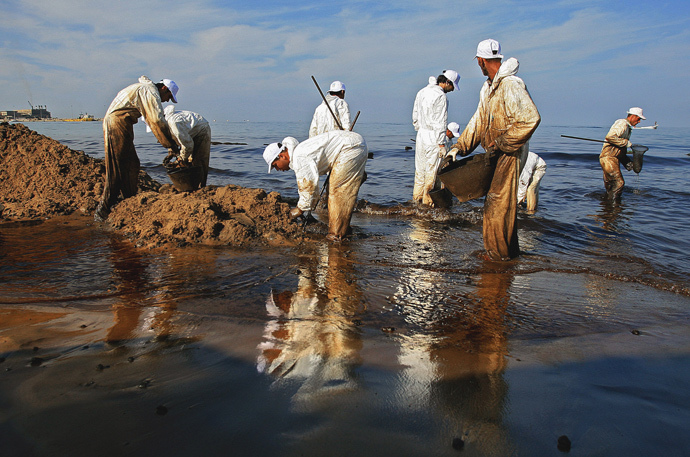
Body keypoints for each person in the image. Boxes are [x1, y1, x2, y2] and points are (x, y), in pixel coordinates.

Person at [448, 39, 540, 260]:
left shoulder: (510, 84)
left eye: (478, 61)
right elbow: (479, 121)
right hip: (496, 154)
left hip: (510, 153)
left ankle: (499, 257)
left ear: (481, 60)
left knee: (498, 206)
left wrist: (501, 143)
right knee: (495, 204)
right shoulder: (488, 87)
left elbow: (530, 119)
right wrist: (458, 148)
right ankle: (504, 253)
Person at [95, 76, 180, 221]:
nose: (166, 101)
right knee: (117, 167)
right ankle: (103, 210)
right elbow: (156, 120)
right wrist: (171, 145)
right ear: (164, 88)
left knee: (132, 163)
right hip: (116, 122)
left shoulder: (147, 90)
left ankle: (129, 199)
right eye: (168, 97)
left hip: (123, 124)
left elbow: (150, 119)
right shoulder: (150, 91)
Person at [263, 130, 368, 241]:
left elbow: (309, 187)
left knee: (337, 192)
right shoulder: (301, 151)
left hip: (350, 148)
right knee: (333, 190)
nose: (278, 169)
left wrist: (300, 209)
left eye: (275, 165)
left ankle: (336, 236)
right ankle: (343, 230)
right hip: (352, 144)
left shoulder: (300, 156)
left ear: (282, 156)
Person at [412, 70, 460, 205]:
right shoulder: (441, 97)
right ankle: (427, 206)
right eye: (452, 87)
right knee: (431, 175)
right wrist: (441, 144)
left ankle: (416, 202)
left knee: (420, 172)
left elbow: (415, 116)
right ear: (447, 83)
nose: (451, 90)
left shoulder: (422, 92)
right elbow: (441, 122)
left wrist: (420, 129)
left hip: (421, 135)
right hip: (433, 137)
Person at [599, 107, 645, 199]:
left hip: (612, 158)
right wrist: (625, 142)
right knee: (619, 183)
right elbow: (610, 137)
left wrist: (627, 162)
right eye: (638, 118)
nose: (639, 121)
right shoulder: (622, 123)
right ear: (633, 116)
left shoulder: (627, 127)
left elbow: (618, 150)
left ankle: (607, 206)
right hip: (608, 158)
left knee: (611, 185)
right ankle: (613, 206)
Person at [163, 105, 212, 188]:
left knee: (199, 160)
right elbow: (173, 138)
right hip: (190, 132)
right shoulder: (167, 123)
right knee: (188, 160)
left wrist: (180, 159)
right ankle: (190, 184)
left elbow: (188, 145)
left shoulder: (174, 123)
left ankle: (201, 186)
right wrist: (171, 152)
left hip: (201, 129)